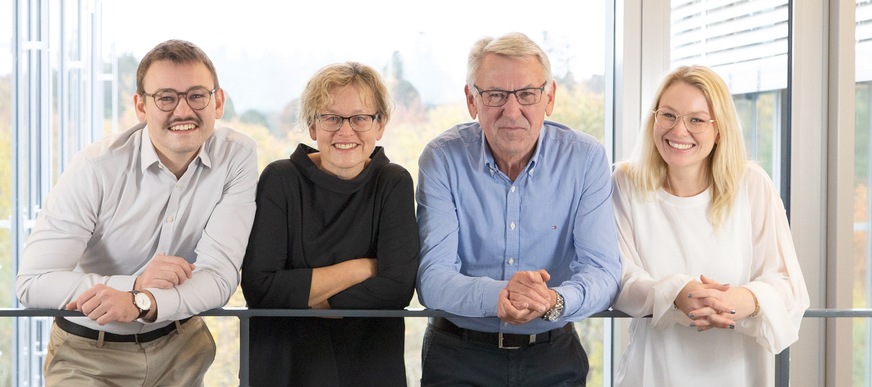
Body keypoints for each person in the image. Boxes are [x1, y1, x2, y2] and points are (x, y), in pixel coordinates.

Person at [15, 39, 257, 386]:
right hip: (88, 356)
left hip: (181, 351)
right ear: (141, 107)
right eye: (166, 98)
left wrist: (141, 301)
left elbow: (219, 277)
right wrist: (135, 286)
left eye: (197, 95)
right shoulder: (96, 168)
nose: (183, 111)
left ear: (218, 102)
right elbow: (32, 283)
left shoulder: (237, 156)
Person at [415, 32, 621, 386]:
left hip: (554, 357)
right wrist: (499, 297)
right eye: (495, 95)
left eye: (527, 94)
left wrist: (553, 300)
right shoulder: (442, 159)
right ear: (471, 100)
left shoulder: (585, 159)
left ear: (549, 97)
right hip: (458, 358)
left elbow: (603, 272)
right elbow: (432, 278)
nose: (512, 111)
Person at [611, 65, 810, 386]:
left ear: (719, 131)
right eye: (668, 115)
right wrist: (678, 292)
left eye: (697, 120)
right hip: (654, 371)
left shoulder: (752, 184)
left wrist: (739, 301)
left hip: (739, 371)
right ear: (653, 120)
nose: (679, 131)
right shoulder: (626, 182)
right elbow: (620, 279)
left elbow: (788, 284)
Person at [240, 61, 419, 387]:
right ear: (312, 126)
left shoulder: (393, 183)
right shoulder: (280, 179)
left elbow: (398, 288)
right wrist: (363, 269)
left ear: (379, 126)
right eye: (331, 118)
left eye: (361, 118)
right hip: (284, 366)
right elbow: (259, 288)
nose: (345, 131)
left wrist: (303, 297)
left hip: (370, 366)